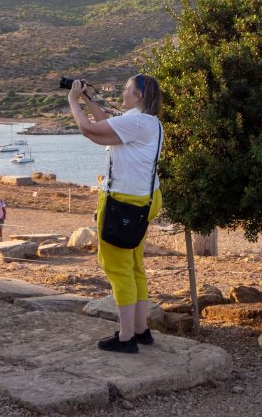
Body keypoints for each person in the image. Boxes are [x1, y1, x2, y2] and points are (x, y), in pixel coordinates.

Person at [68, 74, 163, 354]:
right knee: (134, 265)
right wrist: (88, 98)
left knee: (118, 268)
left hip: (124, 201)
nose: (123, 93)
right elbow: (104, 123)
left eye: (126, 89)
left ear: (139, 96)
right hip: (145, 199)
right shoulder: (148, 121)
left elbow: (88, 129)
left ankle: (125, 337)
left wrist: (73, 101)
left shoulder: (135, 121)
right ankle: (140, 329)